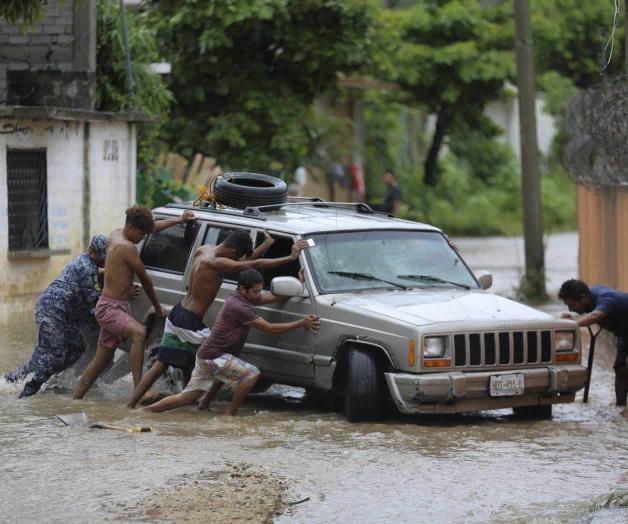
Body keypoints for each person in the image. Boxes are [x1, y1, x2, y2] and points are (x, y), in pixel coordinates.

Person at [126, 230, 305, 408]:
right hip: (189, 322)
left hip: (179, 311)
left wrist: (266, 244)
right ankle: (189, 402)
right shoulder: (217, 263)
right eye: (237, 256)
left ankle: (137, 404)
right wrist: (290, 257)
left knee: (169, 363)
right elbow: (252, 263)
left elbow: (242, 263)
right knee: (217, 353)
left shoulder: (204, 250)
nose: (237, 260)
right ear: (233, 252)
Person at [143, 269, 320, 416]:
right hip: (213, 356)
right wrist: (301, 322)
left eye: (260, 290)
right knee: (251, 375)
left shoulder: (243, 298)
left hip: (211, 355)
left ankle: (200, 405)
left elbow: (275, 298)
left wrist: (298, 284)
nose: (259, 295)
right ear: (243, 289)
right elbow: (270, 328)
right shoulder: (239, 307)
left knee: (194, 393)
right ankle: (230, 415)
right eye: (256, 291)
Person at [73, 207, 196, 399]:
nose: (143, 237)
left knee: (101, 360)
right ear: (130, 227)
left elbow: (153, 228)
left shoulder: (114, 235)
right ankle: (138, 392)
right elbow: (145, 279)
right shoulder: (126, 247)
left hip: (112, 305)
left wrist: (179, 220)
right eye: (140, 233)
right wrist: (156, 306)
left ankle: (76, 399)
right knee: (139, 333)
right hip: (110, 308)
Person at [3, 235, 109, 397]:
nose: (105, 261)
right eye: (103, 257)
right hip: (53, 311)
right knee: (55, 354)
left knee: (75, 347)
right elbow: (95, 302)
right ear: (93, 252)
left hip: (60, 313)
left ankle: (8, 382)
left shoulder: (88, 264)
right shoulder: (87, 269)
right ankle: (28, 393)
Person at [559, 279, 628, 406]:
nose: (570, 309)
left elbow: (595, 316)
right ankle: (620, 408)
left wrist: (573, 324)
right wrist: (574, 318)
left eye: (572, 305)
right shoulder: (591, 295)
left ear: (583, 298)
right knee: (620, 368)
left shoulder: (607, 300)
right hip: (624, 334)